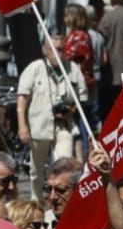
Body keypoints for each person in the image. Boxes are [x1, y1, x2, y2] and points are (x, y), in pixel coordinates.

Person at [17, 39, 88, 190]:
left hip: (64, 125)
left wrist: (71, 108)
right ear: (45, 50)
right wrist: (22, 126)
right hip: (39, 126)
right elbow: (22, 99)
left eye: (60, 49)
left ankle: (58, 202)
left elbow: (82, 98)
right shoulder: (35, 68)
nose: (56, 53)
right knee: (36, 170)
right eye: (52, 49)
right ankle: (37, 201)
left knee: (63, 166)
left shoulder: (73, 69)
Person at [61, 3, 98, 107]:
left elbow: (67, 57)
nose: (64, 18)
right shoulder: (76, 34)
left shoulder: (79, 36)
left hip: (79, 83)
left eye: (66, 15)